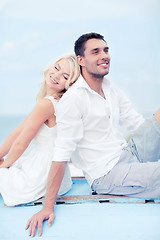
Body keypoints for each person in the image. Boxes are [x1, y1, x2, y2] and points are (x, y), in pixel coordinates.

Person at [26, 32, 160, 237]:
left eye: (106, 50)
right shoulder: (74, 99)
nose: (103, 55)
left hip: (128, 153)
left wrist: (154, 136)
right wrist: (47, 207)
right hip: (107, 173)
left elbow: (136, 123)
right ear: (81, 60)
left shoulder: (109, 87)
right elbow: (61, 155)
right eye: (95, 52)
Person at [0, 54, 80, 206]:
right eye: (56, 68)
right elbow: (18, 131)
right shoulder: (58, 103)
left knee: (4, 168)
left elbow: (20, 144)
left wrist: (3, 165)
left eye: (64, 76)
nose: (56, 75)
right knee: (7, 163)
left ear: (70, 84)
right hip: (59, 175)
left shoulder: (46, 104)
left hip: (41, 175)